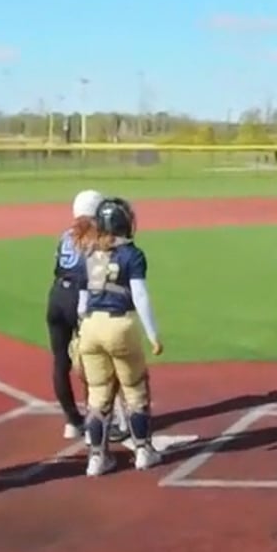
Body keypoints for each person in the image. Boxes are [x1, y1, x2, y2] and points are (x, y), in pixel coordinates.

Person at [74, 196, 176, 475]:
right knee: (134, 390)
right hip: (120, 327)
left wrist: (80, 333)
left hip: (90, 327)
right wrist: (153, 335)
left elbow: (82, 303)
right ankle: (143, 451)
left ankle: (97, 458)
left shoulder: (89, 254)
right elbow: (139, 296)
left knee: (98, 395)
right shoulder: (132, 255)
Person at [48, 190, 128, 442]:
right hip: (79, 299)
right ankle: (99, 422)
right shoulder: (97, 236)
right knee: (93, 361)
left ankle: (72, 421)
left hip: (56, 297)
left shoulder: (65, 235)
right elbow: (98, 277)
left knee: (61, 361)